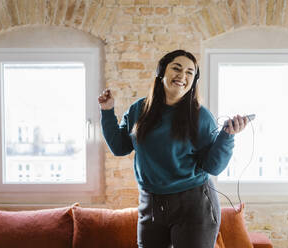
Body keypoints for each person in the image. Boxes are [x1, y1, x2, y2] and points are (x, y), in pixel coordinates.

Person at [98, 50, 248, 248]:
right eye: (176, 68)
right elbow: (119, 147)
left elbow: (213, 167)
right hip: (150, 204)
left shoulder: (201, 116)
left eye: (189, 73)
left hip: (194, 205)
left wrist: (227, 137)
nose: (182, 76)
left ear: (194, 80)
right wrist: (107, 111)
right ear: (161, 72)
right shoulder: (138, 110)